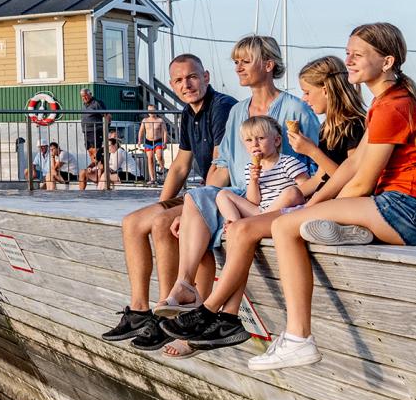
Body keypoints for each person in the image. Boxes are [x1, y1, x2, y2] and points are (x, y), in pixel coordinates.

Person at [249, 23, 416, 370]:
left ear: (387, 61)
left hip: (410, 212)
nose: (349, 62)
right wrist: (313, 204)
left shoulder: (392, 105)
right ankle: (351, 231)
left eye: (358, 55)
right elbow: (353, 161)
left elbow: (362, 182)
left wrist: (308, 212)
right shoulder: (390, 98)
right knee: (302, 216)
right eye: (348, 54)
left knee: (285, 228)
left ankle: (298, 338)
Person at [160, 56, 367, 355]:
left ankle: (212, 312)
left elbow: (345, 176)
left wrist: (307, 167)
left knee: (243, 230)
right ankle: (220, 316)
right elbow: (322, 180)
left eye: (308, 91)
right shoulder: (328, 128)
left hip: (338, 206)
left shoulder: (349, 126)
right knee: (235, 226)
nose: (304, 99)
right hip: (316, 204)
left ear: (327, 88)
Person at [150, 36, 320, 338]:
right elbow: (225, 165)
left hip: (281, 196)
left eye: (245, 61)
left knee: (220, 218)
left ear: (268, 65)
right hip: (244, 195)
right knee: (196, 197)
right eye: (236, 62)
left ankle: (209, 317)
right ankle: (184, 285)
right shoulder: (238, 111)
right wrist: (194, 210)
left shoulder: (295, 109)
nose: (238, 68)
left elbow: (314, 168)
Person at [102, 53, 236, 347]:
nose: (186, 84)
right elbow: (179, 166)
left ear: (206, 77)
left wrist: (186, 212)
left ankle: (167, 314)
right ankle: (139, 311)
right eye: (179, 80)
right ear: (173, 86)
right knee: (134, 222)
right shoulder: (189, 113)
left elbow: (221, 167)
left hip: (224, 193)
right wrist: (159, 205)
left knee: (164, 222)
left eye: (192, 77)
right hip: (202, 191)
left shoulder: (221, 108)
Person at [214, 116, 306, 222]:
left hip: (283, 212)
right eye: (249, 140)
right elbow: (254, 202)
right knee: (222, 195)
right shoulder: (250, 167)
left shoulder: (288, 162)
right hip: (260, 212)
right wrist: (254, 180)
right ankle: (235, 223)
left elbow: (306, 188)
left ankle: (252, 223)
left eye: (261, 138)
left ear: (276, 141)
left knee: (292, 192)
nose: (254, 144)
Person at [138, 103, 169, 180]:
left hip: (158, 141)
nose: (151, 112)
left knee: (159, 156)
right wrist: (139, 140)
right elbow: (141, 131)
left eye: (152, 110)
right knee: (150, 159)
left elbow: (165, 132)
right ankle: (152, 178)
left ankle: (162, 167)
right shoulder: (145, 120)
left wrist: (165, 142)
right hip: (148, 141)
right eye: (149, 110)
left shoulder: (160, 120)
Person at [80, 88, 108, 164]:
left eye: (86, 95)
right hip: (87, 131)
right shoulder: (84, 104)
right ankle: (94, 167)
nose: (84, 98)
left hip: (95, 131)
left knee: (96, 151)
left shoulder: (97, 103)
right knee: (89, 150)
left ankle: (99, 168)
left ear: (90, 94)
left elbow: (107, 115)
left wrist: (106, 128)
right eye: (82, 96)